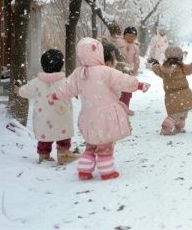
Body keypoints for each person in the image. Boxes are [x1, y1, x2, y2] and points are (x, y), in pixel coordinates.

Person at [48, 37, 150, 180]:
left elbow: (66, 88)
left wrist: (54, 96)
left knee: (91, 145)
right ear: (98, 53)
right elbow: (123, 80)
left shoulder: (78, 73)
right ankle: (107, 171)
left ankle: (84, 170)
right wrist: (139, 85)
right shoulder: (105, 71)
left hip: (88, 117)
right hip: (105, 117)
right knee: (105, 145)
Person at [14, 49, 78, 165]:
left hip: (43, 118)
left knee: (44, 138)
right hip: (62, 118)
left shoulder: (37, 82)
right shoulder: (65, 82)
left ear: (43, 65)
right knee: (63, 136)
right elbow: (74, 91)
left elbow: (25, 91)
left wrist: (19, 91)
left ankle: (44, 155)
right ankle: (63, 153)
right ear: (61, 65)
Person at [150, 45, 192, 135]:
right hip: (184, 94)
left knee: (175, 113)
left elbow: (156, 69)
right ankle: (167, 128)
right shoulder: (182, 68)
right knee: (183, 112)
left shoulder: (163, 69)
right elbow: (191, 67)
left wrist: (155, 64)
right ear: (180, 57)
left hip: (171, 96)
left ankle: (177, 127)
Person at [115, 26, 141, 110]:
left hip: (129, 70)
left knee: (128, 90)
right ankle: (116, 106)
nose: (131, 38)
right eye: (129, 35)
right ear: (124, 35)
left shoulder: (135, 46)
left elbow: (136, 59)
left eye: (133, 36)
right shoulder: (119, 43)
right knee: (117, 89)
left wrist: (135, 69)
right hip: (118, 69)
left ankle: (125, 106)